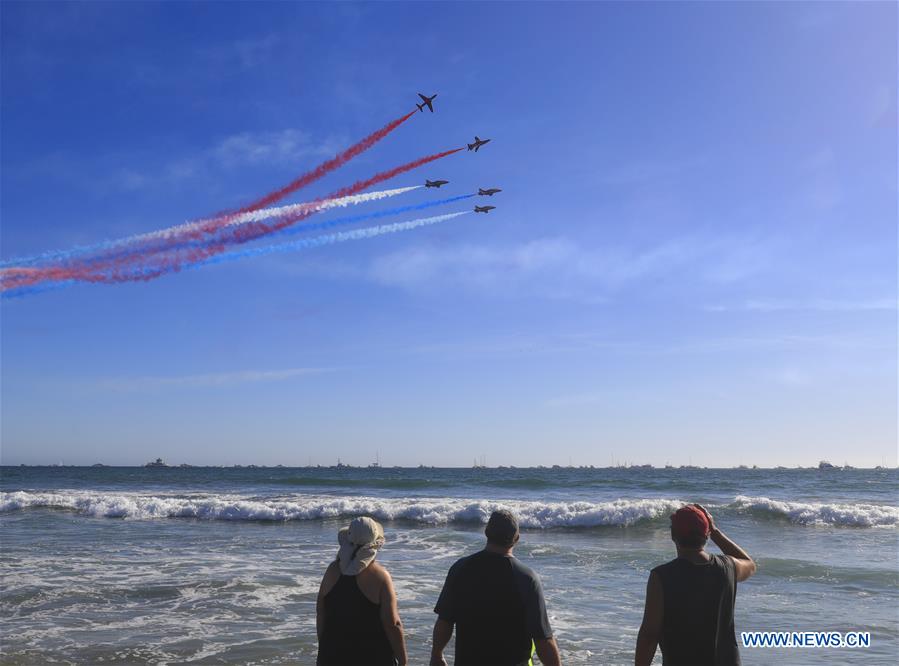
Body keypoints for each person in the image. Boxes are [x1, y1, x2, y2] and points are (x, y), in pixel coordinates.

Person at [430, 509, 562, 666]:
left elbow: (445, 620)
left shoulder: (460, 568)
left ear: (486, 532)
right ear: (517, 539)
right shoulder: (527, 578)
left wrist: (437, 654)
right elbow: (543, 639)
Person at [635, 504, 757, 666]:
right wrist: (715, 532)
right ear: (706, 535)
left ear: (673, 536)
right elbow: (750, 565)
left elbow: (649, 635)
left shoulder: (662, 576)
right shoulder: (728, 567)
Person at [316, 516, 407, 666]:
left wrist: (325, 650)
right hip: (373, 658)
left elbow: (321, 612)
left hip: (332, 657)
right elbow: (393, 624)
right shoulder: (380, 576)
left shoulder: (332, 571)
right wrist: (403, 662)